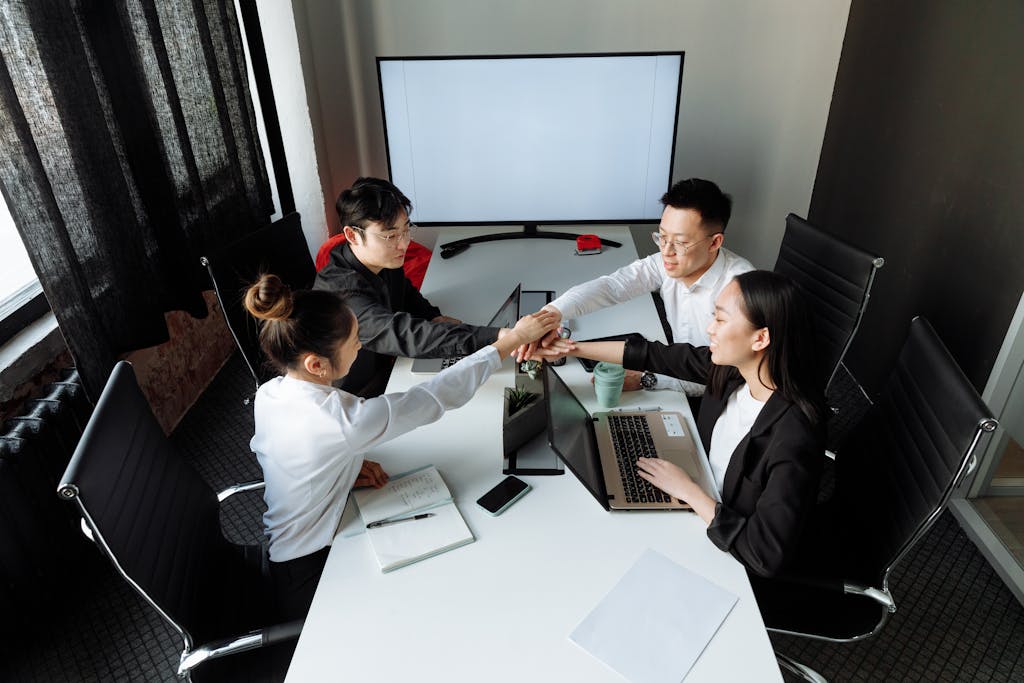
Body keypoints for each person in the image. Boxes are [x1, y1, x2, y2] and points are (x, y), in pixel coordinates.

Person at [246, 274, 558, 619]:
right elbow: (434, 396)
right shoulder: (342, 423)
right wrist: (509, 341)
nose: (361, 346)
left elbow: (288, 454)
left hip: (286, 549)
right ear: (316, 365)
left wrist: (343, 467)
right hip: (310, 572)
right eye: (354, 341)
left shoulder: (272, 392)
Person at [536, 270, 825, 578]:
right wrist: (569, 348)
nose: (709, 329)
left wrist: (688, 491)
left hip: (727, 546)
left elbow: (764, 553)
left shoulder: (794, 433)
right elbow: (656, 355)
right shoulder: (736, 371)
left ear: (760, 338)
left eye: (721, 320)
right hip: (700, 487)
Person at [525, 178, 753, 398]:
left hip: (719, 400)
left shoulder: (739, 292)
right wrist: (549, 316)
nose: (666, 251)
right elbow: (612, 286)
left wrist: (647, 379)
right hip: (676, 367)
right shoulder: (670, 261)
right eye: (662, 237)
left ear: (715, 242)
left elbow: (723, 374)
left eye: (680, 242)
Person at [314, 177, 515, 397]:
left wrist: (431, 316)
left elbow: (406, 294)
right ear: (352, 235)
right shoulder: (343, 296)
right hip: (354, 396)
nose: (404, 243)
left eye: (406, 229)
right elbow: (406, 335)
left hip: (390, 369)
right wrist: (500, 337)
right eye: (390, 235)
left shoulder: (383, 258)